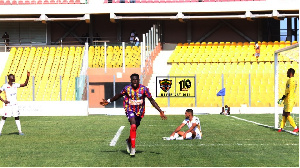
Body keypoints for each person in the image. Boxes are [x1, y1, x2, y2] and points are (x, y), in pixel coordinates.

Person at [100, 73, 167, 156]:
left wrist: (160, 110)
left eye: (136, 79)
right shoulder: (127, 89)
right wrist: (109, 100)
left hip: (140, 111)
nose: (134, 81)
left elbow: (151, 100)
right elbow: (119, 95)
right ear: (131, 80)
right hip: (129, 109)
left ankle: (129, 141)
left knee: (134, 127)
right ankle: (133, 149)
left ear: (138, 80)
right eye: (133, 80)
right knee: (133, 125)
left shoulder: (144, 89)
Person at [0, 72, 30, 136]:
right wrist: (3, 101)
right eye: (13, 77)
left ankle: (20, 131)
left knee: (17, 117)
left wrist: (27, 77)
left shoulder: (15, 85)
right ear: (10, 78)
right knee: (4, 117)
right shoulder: (4, 86)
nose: (14, 78)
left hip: (15, 104)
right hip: (8, 105)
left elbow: (25, 84)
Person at [277, 68, 298, 133]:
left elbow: (288, 91)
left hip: (289, 100)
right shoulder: (294, 80)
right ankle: (281, 128)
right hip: (288, 99)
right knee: (284, 113)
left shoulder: (290, 80)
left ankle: (296, 127)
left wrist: (282, 98)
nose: (287, 73)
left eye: (287, 72)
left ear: (290, 73)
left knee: (287, 114)